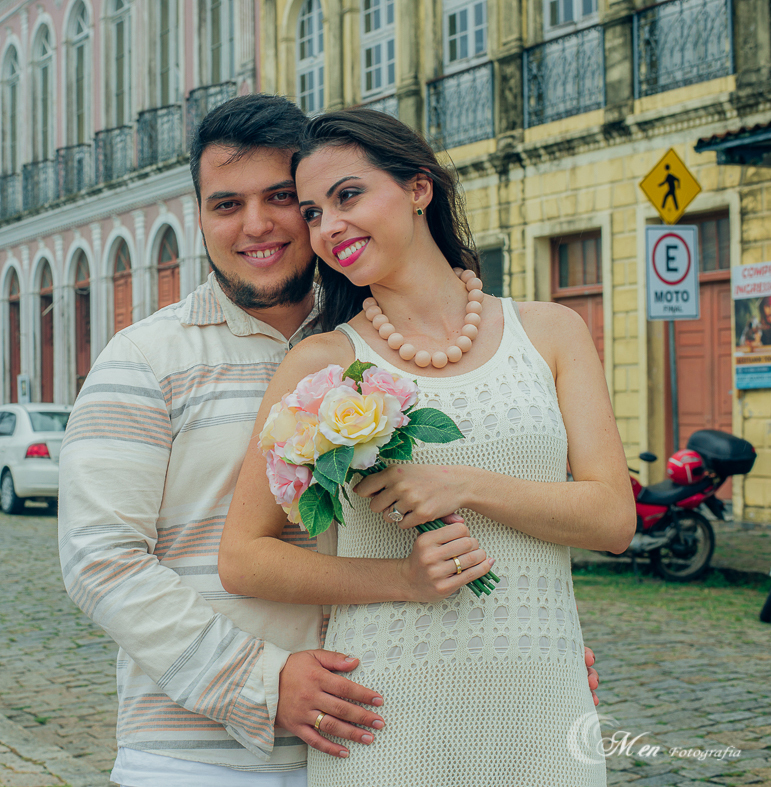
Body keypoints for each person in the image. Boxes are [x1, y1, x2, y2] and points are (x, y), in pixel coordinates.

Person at [59, 96, 602, 787]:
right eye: (226, 205)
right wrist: (261, 682)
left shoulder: (378, 341)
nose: (255, 224)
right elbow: (100, 560)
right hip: (205, 752)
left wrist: (514, 647)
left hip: (395, 721)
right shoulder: (146, 358)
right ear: (198, 217)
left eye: (282, 198)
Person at [218, 108, 632, 786]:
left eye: (348, 195)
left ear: (418, 188)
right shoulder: (320, 364)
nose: (329, 226)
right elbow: (243, 557)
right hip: (387, 710)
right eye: (314, 213)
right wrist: (402, 579)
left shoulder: (552, 332)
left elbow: (613, 519)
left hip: (543, 700)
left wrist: (462, 484)